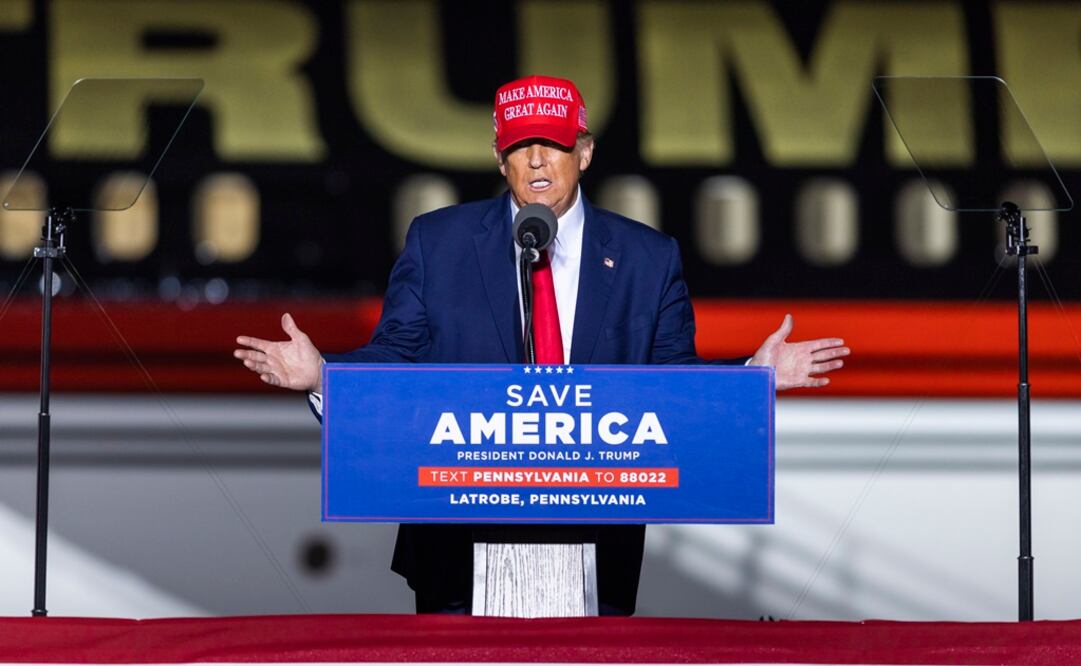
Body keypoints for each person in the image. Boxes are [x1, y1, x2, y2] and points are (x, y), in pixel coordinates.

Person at [234, 75, 849, 615]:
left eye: (552, 146)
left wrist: (749, 380)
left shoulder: (646, 259)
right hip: (456, 542)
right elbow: (397, 358)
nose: (536, 163)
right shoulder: (438, 243)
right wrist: (324, 377)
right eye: (519, 147)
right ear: (499, 160)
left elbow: (672, 385)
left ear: (583, 153)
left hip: (593, 543)